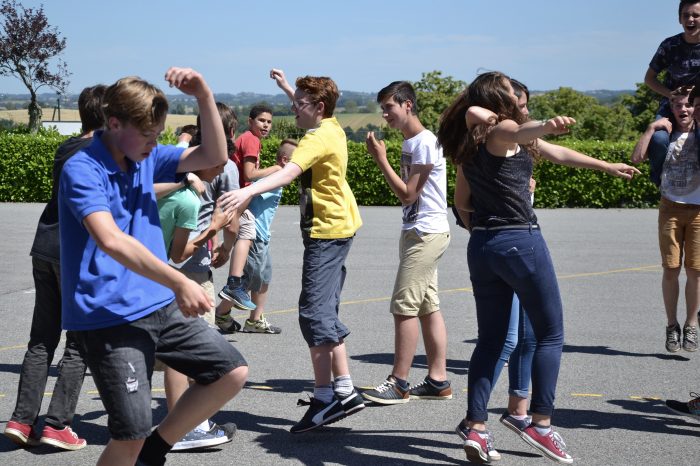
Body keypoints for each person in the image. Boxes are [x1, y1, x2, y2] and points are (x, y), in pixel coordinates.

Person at [438, 71, 639, 464]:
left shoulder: (469, 142)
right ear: (503, 100)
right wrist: (545, 124)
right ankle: (540, 423)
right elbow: (520, 131)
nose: (519, 99)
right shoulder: (502, 131)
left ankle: (476, 428)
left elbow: (464, 203)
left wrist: (605, 166)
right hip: (521, 241)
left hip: (482, 246)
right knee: (550, 333)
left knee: (492, 341)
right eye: (514, 94)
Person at [58, 67, 248, 466]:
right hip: (109, 316)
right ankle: (142, 448)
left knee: (231, 372)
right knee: (129, 435)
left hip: (157, 305)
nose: (153, 143)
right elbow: (110, 240)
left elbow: (213, 156)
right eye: (146, 134)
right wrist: (179, 280)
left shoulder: (144, 157)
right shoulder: (82, 169)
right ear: (113, 123)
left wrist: (204, 94)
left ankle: (156, 452)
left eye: (158, 134)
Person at [220, 70, 365, 433]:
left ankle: (326, 396)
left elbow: (287, 174)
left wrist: (247, 192)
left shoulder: (316, 138)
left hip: (326, 233)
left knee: (313, 314)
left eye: (298, 103)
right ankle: (343, 390)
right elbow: (309, 108)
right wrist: (289, 88)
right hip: (338, 228)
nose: (291, 109)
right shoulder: (330, 126)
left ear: (317, 107)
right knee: (325, 309)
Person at [3, 85, 105, 451]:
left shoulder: (66, 148)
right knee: (78, 343)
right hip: (73, 254)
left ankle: (21, 419)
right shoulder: (100, 152)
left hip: (44, 245)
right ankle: (57, 424)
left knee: (41, 339)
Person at [361, 81, 452, 405]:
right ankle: (438, 380)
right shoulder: (412, 141)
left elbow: (407, 193)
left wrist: (380, 159)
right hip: (417, 229)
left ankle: (399, 382)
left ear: (408, 105)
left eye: (389, 107)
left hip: (426, 233)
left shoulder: (425, 143)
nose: (385, 114)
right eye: (383, 108)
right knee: (428, 306)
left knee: (404, 306)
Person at [632, 85, 699, 352]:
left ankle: (691, 325)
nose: (683, 109)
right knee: (671, 269)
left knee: (695, 271)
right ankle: (672, 326)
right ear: (671, 109)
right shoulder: (665, 136)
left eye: (688, 105)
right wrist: (650, 129)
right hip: (670, 208)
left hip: (697, 211)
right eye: (678, 105)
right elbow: (636, 158)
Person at [218, 139, 296, 334]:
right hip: (256, 236)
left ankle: (255, 320)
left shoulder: (279, 176)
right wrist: (235, 217)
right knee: (247, 279)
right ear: (285, 160)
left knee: (264, 277)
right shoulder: (276, 175)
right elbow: (249, 194)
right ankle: (221, 314)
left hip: (263, 236)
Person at [217, 104, 280, 315]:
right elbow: (250, 174)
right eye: (262, 120)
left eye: (269, 122)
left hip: (237, 197)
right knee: (246, 232)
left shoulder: (248, 139)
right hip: (237, 197)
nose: (266, 125)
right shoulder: (251, 140)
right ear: (250, 122)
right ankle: (233, 287)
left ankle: (227, 305)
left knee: (242, 233)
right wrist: (278, 170)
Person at [643, 0, 700, 185]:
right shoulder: (669, 45)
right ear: (679, 19)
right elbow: (649, 79)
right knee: (658, 139)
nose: (690, 19)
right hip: (671, 107)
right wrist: (669, 94)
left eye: (696, 15)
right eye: (686, 15)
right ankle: (658, 179)